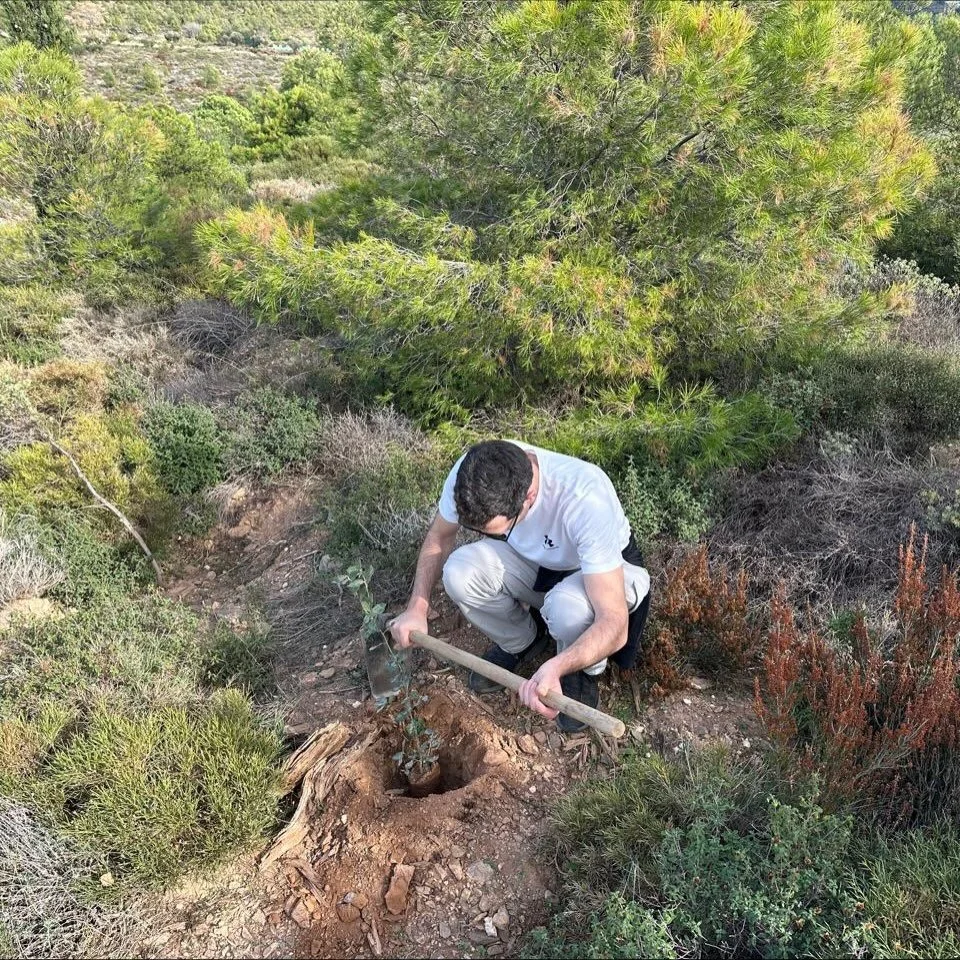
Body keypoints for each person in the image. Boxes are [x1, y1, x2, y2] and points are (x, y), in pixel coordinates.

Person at [389, 439, 651, 732]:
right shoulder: (472, 475)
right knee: (460, 571)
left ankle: (584, 670)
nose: (486, 536)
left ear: (530, 496)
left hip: (608, 571)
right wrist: (417, 607)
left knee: (567, 608)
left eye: (497, 532)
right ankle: (524, 641)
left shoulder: (584, 496)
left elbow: (614, 623)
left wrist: (558, 666)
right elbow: (440, 537)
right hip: (540, 562)